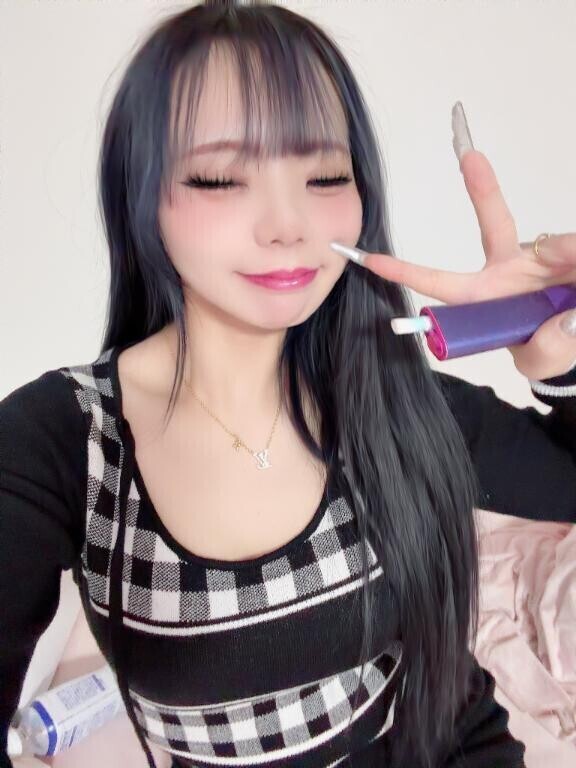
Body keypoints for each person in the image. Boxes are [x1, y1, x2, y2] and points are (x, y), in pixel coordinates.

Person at [1, 2, 575, 767]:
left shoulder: (394, 399)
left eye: (325, 175)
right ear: (141, 194)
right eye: (220, 178)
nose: (289, 224)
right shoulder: (65, 445)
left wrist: (561, 361)